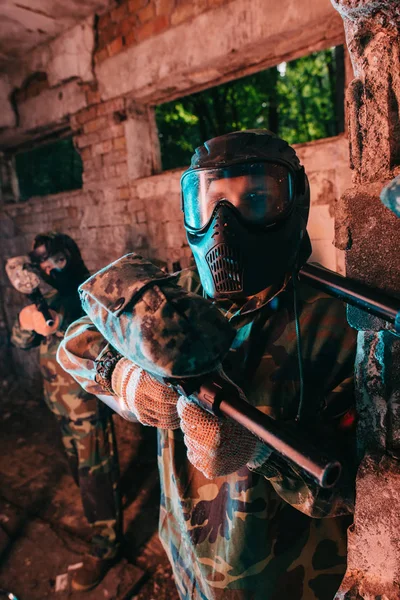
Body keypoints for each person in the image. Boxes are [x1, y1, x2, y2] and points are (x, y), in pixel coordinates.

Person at [58, 130, 357, 600]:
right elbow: (75, 341)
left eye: (256, 199)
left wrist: (258, 450)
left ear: (294, 202)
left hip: (286, 581)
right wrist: (127, 379)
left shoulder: (343, 323)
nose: (225, 223)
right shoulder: (175, 298)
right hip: (187, 559)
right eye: (212, 201)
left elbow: (358, 487)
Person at [11, 232, 122, 592]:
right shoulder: (53, 298)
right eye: (43, 264)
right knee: (82, 475)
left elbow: (102, 342)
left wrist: (64, 325)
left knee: (96, 481)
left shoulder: (93, 294)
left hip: (88, 409)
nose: (50, 269)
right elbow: (22, 341)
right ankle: (104, 518)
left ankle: (106, 546)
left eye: (55, 259)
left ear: (70, 255)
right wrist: (27, 320)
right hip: (60, 408)